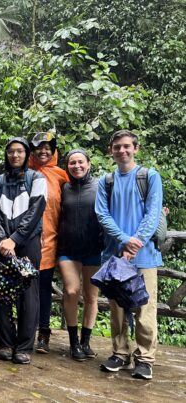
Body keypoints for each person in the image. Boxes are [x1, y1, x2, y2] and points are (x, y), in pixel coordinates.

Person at [95, 129, 162, 380]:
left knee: (145, 308)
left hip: (144, 256)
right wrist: (124, 241)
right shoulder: (107, 181)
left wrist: (135, 243)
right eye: (117, 147)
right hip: (115, 255)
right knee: (118, 309)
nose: (122, 151)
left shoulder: (149, 177)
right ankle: (120, 353)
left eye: (126, 146)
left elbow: (153, 213)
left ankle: (145, 358)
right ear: (111, 151)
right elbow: (102, 214)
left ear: (136, 148)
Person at [0, 137, 47, 364]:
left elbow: (36, 210)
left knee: (28, 294)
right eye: (11, 152)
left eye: (20, 151)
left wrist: (15, 239)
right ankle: (5, 343)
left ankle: (23, 346)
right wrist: (3, 240)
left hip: (27, 242)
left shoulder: (36, 178)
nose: (15, 155)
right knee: (2, 293)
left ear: (26, 154)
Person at [57, 149, 103, 361]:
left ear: (89, 164)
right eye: (72, 163)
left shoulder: (100, 186)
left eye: (80, 162)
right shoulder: (64, 187)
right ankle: (73, 342)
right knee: (71, 290)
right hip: (67, 248)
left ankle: (85, 341)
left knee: (92, 296)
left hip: (94, 248)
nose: (76, 166)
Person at [28, 131, 69, 353]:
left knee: (44, 289)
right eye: (38, 148)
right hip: (24, 242)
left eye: (47, 148)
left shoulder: (62, 175)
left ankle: (44, 333)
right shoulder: (24, 172)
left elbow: (81, 195)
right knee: (24, 287)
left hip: (50, 242)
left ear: (53, 151)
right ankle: (25, 330)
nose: (43, 151)